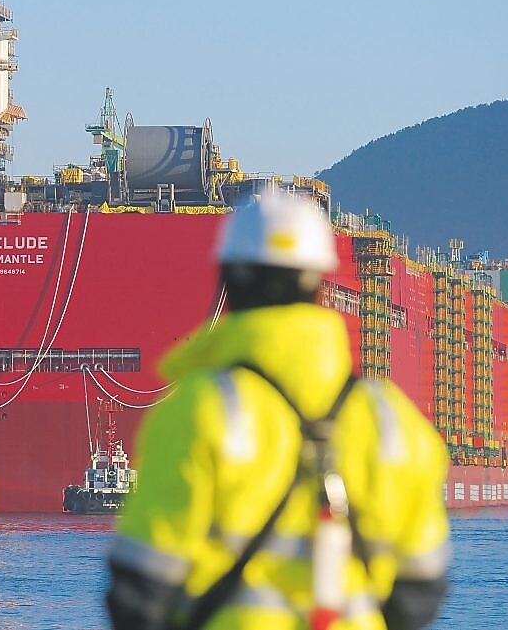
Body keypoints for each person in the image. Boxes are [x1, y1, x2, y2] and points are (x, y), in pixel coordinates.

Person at [106, 191, 450, 630]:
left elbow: (140, 591)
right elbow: (422, 590)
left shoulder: (199, 409)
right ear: (322, 282)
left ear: (228, 278)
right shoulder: (391, 420)